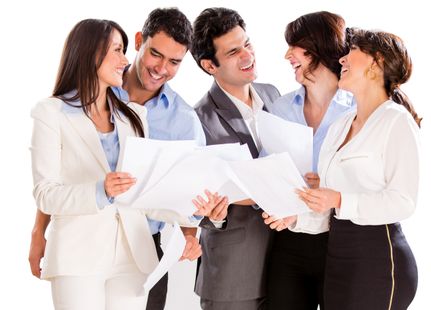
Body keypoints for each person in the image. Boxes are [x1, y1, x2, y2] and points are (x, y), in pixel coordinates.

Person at [29, 9, 224, 310]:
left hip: (137, 250)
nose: (161, 68)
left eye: (174, 62)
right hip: (79, 251)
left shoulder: (139, 118)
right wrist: (39, 231)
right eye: (154, 54)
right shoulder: (53, 112)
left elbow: (152, 192)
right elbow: (49, 189)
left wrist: (195, 217)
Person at [298, 28, 421, 309]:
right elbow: (331, 201)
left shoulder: (396, 122)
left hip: (379, 260)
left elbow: (403, 202)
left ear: (376, 62)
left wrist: (339, 199)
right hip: (338, 258)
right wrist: (295, 216)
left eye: (351, 52)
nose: (342, 60)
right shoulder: (341, 123)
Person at [261, 12, 354, 310]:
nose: (287, 55)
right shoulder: (280, 107)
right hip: (290, 243)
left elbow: (371, 177)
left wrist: (326, 184)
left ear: (318, 47)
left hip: (342, 242)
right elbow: (267, 170)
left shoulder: (357, 107)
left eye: (295, 47)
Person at [191, 7, 281, 310]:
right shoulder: (198, 119)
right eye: (233, 52)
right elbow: (196, 197)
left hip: (286, 265)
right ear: (209, 65)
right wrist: (214, 213)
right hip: (233, 274)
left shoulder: (274, 95)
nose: (247, 56)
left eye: (248, 44)